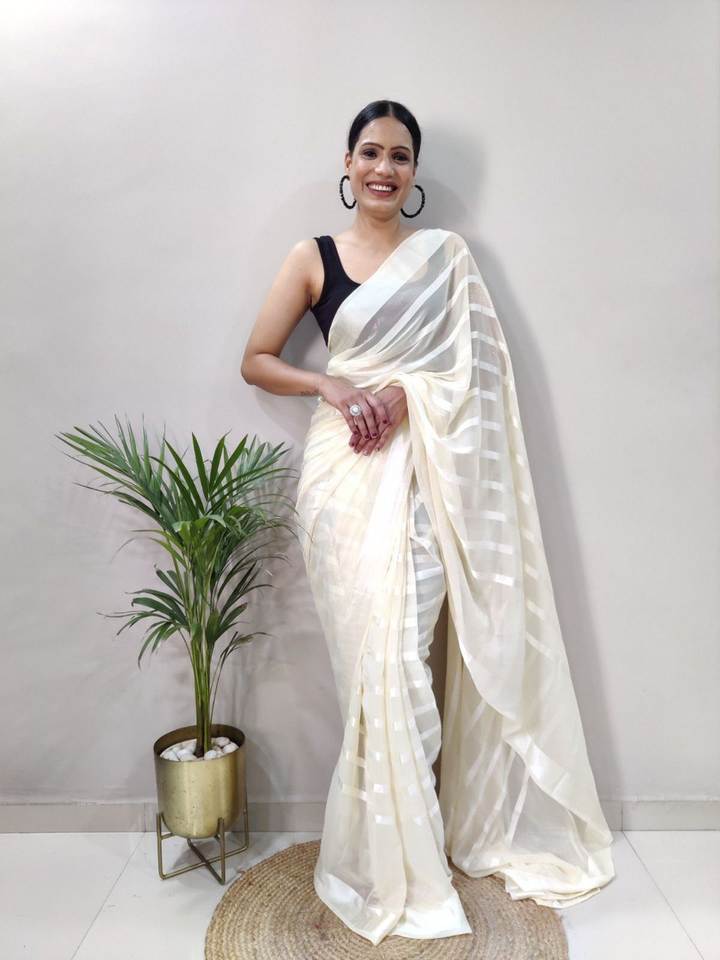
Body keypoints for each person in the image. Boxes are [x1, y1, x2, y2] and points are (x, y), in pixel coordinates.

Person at [241, 99, 616, 946]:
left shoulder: (445, 259)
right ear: (347, 162)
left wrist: (410, 394)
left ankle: (409, 857)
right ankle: (383, 856)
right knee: (364, 666)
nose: (384, 168)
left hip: (425, 474)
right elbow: (256, 359)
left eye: (400, 156)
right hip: (342, 477)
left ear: (414, 173)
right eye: (371, 152)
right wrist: (331, 384)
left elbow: (475, 372)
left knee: (404, 658)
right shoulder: (311, 257)